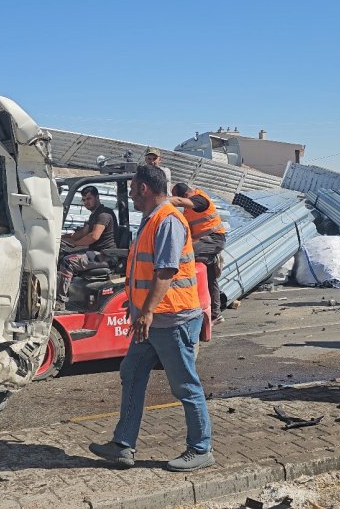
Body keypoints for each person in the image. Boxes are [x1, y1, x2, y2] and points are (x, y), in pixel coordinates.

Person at [89, 165, 214, 472]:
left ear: (144, 188)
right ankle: (122, 445)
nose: (130, 194)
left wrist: (145, 312)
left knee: (185, 385)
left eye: (132, 189)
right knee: (131, 371)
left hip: (171, 319)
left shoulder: (168, 220)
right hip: (152, 321)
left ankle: (201, 449)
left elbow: (167, 271)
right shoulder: (150, 220)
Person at [169, 183, 226, 323]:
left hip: (214, 239)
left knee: (182, 257)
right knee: (210, 278)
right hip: (205, 242)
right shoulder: (188, 211)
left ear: (185, 195)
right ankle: (215, 314)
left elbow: (180, 202)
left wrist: (161, 200)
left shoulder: (199, 199)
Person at [55, 186, 117, 309]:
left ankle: (60, 301)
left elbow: (94, 236)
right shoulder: (94, 215)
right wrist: (61, 237)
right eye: (84, 200)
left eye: (89, 198)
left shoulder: (104, 214)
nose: (86, 202)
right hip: (95, 253)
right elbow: (81, 233)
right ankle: (65, 292)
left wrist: (75, 244)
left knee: (69, 262)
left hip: (104, 256)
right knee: (62, 255)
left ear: (97, 197)